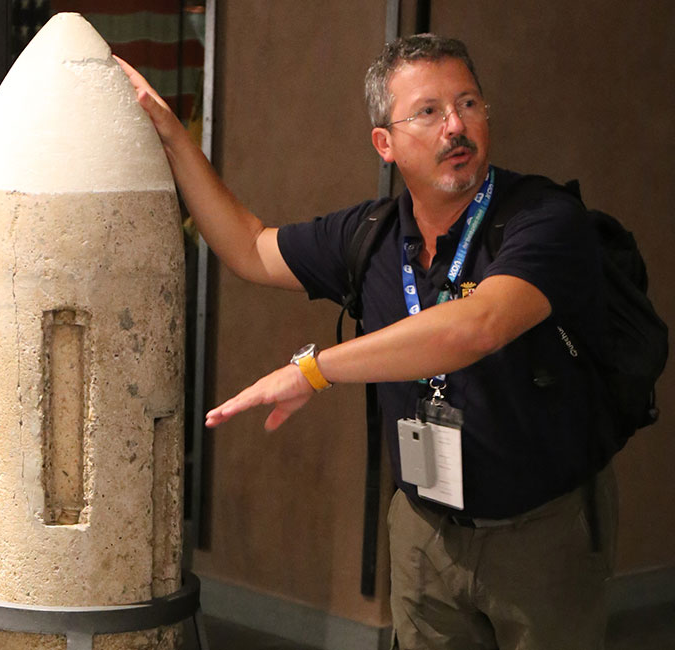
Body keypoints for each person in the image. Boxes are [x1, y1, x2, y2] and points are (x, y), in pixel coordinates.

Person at [117, 33, 617, 650]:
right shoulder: (371, 235)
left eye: (468, 103)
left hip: (541, 529)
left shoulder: (543, 218)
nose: (455, 125)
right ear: (385, 143)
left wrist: (314, 370)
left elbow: (475, 326)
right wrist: (173, 138)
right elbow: (250, 248)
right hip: (424, 531)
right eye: (428, 111)